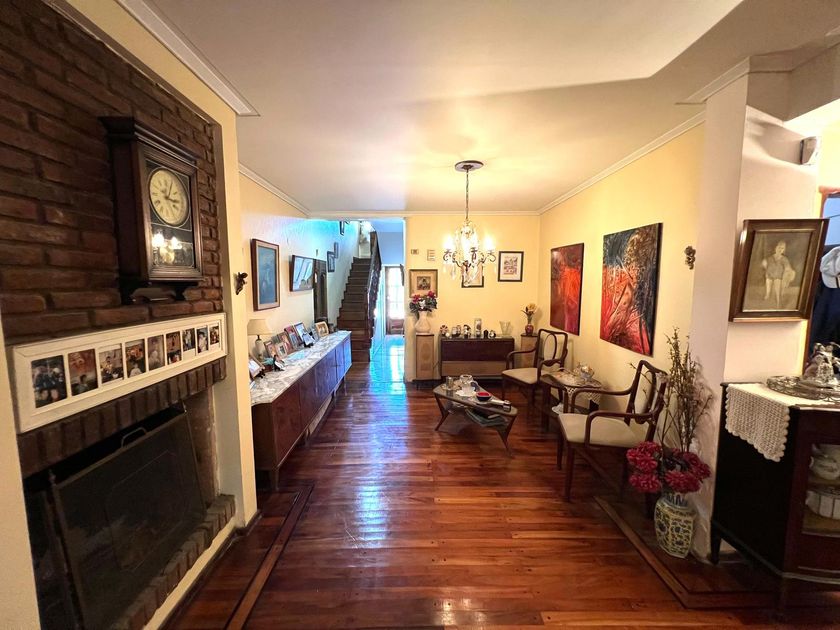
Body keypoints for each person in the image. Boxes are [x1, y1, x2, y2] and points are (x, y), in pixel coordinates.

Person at [762, 240, 795, 308]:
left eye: (782, 248)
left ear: (784, 250)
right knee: (768, 286)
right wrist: (764, 263)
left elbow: (787, 267)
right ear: (775, 248)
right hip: (769, 275)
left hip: (778, 276)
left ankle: (778, 302)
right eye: (779, 247)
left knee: (777, 288)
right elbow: (766, 265)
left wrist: (788, 271)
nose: (780, 250)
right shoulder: (770, 258)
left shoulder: (784, 259)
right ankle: (767, 295)